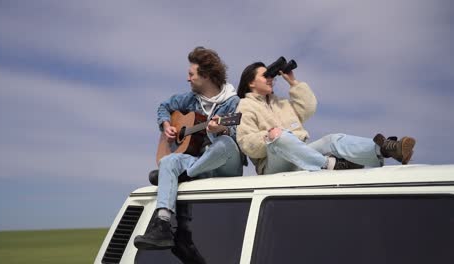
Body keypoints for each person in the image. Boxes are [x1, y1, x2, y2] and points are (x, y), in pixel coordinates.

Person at [134, 47, 243, 250]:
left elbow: (240, 138)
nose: (188, 78)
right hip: (202, 162)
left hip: (225, 162)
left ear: (207, 76)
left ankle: (185, 174)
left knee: (224, 143)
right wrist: (166, 125)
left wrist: (221, 130)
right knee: (168, 161)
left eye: (191, 74)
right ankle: (163, 224)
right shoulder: (190, 100)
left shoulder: (233, 103)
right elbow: (163, 107)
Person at [236, 62, 416, 175]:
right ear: (251, 82)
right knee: (279, 136)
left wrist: (293, 83)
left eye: (271, 76)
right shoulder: (245, 106)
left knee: (333, 139)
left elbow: (309, 108)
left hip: (301, 155)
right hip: (273, 164)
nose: (270, 79)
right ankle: (329, 164)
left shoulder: (281, 103)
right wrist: (269, 136)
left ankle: (386, 149)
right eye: (265, 76)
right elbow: (246, 143)